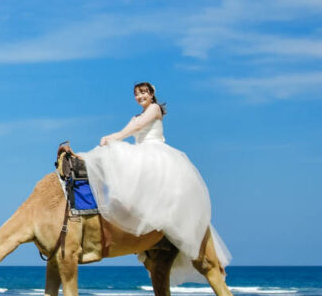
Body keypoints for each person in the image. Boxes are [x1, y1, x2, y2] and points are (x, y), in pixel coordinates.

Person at [80, 82, 230, 285]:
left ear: (151, 95)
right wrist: (113, 138)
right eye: (136, 94)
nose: (140, 96)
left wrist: (114, 137)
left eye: (143, 92)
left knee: (154, 192)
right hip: (141, 152)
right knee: (119, 178)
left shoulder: (154, 109)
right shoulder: (135, 116)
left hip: (155, 154)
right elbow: (131, 127)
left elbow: (137, 128)